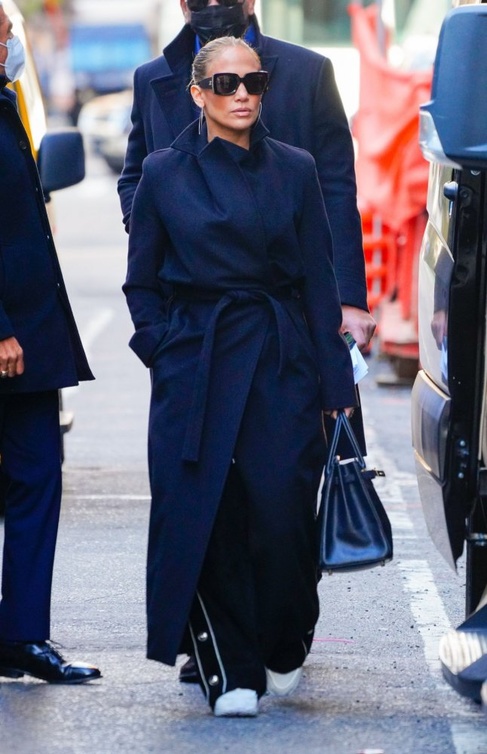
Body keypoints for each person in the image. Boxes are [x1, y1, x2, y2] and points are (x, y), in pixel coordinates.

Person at [123, 35, 357, 717]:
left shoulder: (296, 168)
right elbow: (141, 281)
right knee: (206, 513)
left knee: (283, 511)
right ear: (198, 94)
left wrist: (335, 388)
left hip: (280, 357)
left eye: (253, 82)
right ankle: (232, 671)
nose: (243, 95)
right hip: (196, 361)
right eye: (225, 84)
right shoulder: (165, 172)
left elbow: (319, 281)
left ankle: (284, 638)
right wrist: (163, 348)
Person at [117, 0, 376, 354]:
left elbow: (337, 190)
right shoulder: (151, 78)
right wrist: (158, 237)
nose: (213, 6)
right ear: (183, 5)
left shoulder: (308, 73)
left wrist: (348, 298)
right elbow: (135, 176)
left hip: (288, 313)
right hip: (187, 321)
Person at [0, 3, 101, 684]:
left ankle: (22, 636)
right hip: (8, 333)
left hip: (30, 339)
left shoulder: (8, 100)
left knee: (38, 476)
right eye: (1, 28)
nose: (10, 36)